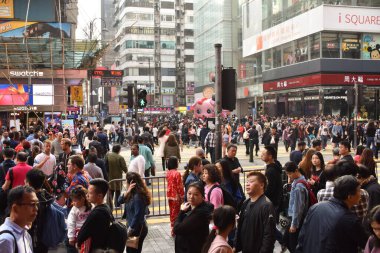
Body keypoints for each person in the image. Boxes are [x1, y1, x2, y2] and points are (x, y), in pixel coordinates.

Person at [297, 175, 366, 253]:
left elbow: (302, 237)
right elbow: (366, 243)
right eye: (359, 190)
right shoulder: (349, 219)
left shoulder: (316, 207)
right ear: (349, 197)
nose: (361, 194)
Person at [234, 171, 276, 253]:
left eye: (251, 181)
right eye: (247, 181)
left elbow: (269, 235)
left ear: (261, 185)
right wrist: (236, 246)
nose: (247, 184)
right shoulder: (246, 203)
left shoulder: (266, 205)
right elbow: (240, 227)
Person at [174, 182, 214, 253]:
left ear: (202, 196)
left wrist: (181, 212)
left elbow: (177, 229)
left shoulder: (200, 213)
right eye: (189, 193)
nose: (191, 197)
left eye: (196, 194)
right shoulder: (191, 206)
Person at [117, 172, 151, 253]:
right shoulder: (131, 193)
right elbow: (119, 201)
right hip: (133, 227)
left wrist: (130, 230)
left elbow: (138, 215)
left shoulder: (138, 197)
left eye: (126, 181)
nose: (125, 183)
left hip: (136, 229)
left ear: (131, 183)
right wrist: (127, 192)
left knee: (132, 251)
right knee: (132, 250)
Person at [77, 179, 112, 252]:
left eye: (90, 193)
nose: (87, 195)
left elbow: (83, 233)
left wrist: (78, 243)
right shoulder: (107, 208)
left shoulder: (97, 213)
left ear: (99, 196)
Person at [0, 185, 37, 253]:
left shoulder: (26, 234)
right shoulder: (6, 240)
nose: (36, 209)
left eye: (37, 204)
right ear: (15, 208)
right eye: (32, 204)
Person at [283, 162, 309, 253]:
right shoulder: (299, 180)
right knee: (287, 240)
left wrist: (294, 224)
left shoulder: (299, 186)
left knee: (293, 244)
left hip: (297, 219)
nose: (289, 176)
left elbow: (298, 207)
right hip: (295, 217)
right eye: (287, 174)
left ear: (296, 170)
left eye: (290, 174)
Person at [66, 186, 92, 253]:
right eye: (72, 201)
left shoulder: (91, 207)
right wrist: (71, 237)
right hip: (78, 232)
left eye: (75, 201)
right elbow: (71, 223)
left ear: (82, 199)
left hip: (88, 232)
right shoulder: (74, 209)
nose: (73, 203)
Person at [261, 145, 282, 217]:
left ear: (270, 156)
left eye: (263, 154)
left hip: (272, 203)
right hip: (276, 201)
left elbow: (270, 189)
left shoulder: (271, 171)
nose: (261, 155)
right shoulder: (276, 165)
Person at [166, 156, 184, 236]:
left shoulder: (168, 173)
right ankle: (175, 230)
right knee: (177, 213)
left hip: (170, 195)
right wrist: (182, 196)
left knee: (172, 213)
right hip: (176, 197)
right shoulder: (177, 173)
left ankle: (172, 228)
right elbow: (179, 186)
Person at [106, 144, 127, 209]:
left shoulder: (107, 155)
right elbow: (124, 168)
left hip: (109, 177)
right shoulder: (120, 157)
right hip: (118, 177)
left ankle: (109, 204)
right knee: (118, 191)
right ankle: (117, 204)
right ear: (119, 150)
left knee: (110, 191)